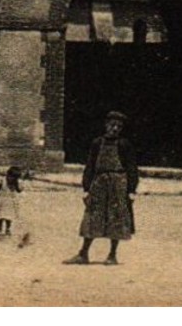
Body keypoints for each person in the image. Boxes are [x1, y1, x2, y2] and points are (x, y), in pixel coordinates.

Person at [66, 110, 139, 266]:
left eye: (118, 127)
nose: (115, 129)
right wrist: (86, 188)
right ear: (106, 125)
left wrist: (131, 190)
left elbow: (132, 168)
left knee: (116, 217)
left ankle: (112, 255)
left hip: (118, 184)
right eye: (112, 125)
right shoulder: (97, 143)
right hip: (99, 183)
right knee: (92, 216)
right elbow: (90, 166)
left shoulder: (124, 145)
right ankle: (83, 254)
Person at [0, 165, 24, 239]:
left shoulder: (16, 183)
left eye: (14, 178)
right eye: (10, 177)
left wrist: (18, 184)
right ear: (7, 174)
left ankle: (8, 228)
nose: (11, 179)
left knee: (9, 217)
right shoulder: (1, 181)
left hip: (10, 202)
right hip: (1, 201)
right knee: (0, 216)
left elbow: (20, 190)